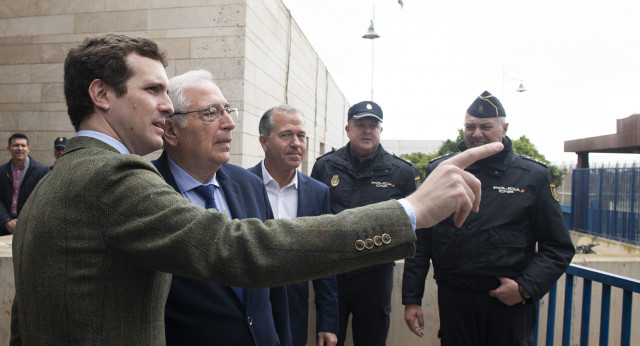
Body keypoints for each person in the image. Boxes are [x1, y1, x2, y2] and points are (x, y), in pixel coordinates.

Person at [10, 33, 502, 345]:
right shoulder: (111, 177)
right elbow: (241, 249)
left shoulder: (61, 178)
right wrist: (409, 211)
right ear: (101, 95)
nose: (165, 107)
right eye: (154, 90)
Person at [402, 91, 575, 345]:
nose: (476, 133)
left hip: (507, 303)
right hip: (454, 300)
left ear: (504, 129)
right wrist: (412, 298)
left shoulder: (533, 176)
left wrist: (525, 288)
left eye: (486, 126)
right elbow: (421, 240)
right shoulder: (443, 171)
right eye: (470, 126)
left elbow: (558, 247)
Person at [152, 70, 291, 346]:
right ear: (170, 130)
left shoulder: (250, 185)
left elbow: (273, 274)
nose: (229, 123)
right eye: (211, 113)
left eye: (228, 111)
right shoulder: (147, 191)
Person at [310, 101, 421, 346]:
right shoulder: (325, 166)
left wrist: (412, 297)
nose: (367, 130)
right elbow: (311, 222)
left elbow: (415, 236)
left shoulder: (401, 172)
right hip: (332, 278)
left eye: (373, 125)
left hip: (375, 279)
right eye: (360, 125)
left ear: (381, 130)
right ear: (348, 129)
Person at [249, 105, 339, 346]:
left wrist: (328, 322)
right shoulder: (240, 184)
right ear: (264, 141)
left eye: (301, 136)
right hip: (250, 308)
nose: (296, 143)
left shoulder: (318, 193)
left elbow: (325, 260)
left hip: (295, 313)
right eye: (286, 135)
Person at [0, 133, 49, 235]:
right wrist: (6, 220)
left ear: (29, 148)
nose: (20, 148)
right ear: (8, 148)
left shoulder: (42, 171)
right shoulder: (1, 171)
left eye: (23, 145)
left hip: (30, 229)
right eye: (16, 145)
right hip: (4, 228)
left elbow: (43, 200)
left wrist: (25, 222)